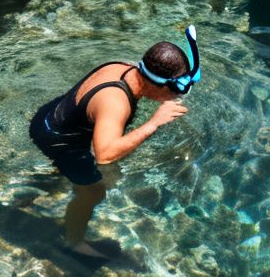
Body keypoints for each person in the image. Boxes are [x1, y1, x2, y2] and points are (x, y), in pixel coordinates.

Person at [28, 26, 200, 259]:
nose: (177, 96)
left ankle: (56, 177)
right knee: (95, 191)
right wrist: (153, 123)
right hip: (58, 139)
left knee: (77, 172)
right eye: (175, 90)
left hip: (53, 115)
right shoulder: (116, 102)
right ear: (158, 84)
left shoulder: (124, 68)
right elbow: (105, 155)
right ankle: (73, 243)